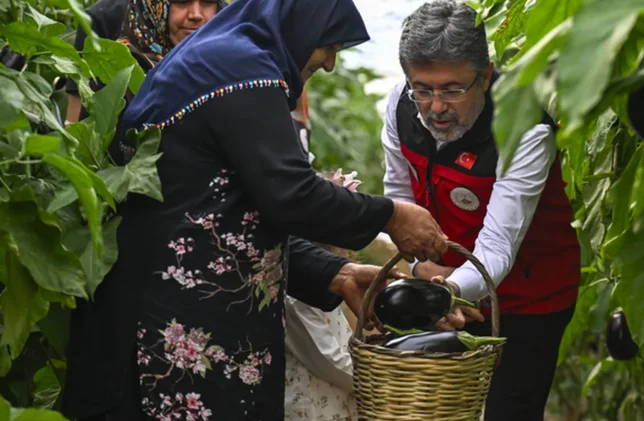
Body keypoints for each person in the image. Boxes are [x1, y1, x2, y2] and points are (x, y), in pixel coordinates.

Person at [60, 0, 448, 420]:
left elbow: (227, 214)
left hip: (187, 325)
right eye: (328, 46)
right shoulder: (239, 68)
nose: (332, 64)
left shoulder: (226, 60)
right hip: (168, 338)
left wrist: (338, 273)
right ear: (301, 24)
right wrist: (391, 215)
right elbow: (292, 194)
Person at [381, 1, 581, 420]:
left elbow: (497, 247)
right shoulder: (400, 106)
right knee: (436, 409)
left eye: (453, 90)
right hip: (445, 284)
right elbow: (399, 203)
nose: (436, 106)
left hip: (530, 296)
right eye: (423, 88)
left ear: (486, 76)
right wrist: (424, 271)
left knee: (510, 408)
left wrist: (440, 292)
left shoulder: (524, 128)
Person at [284, 89, 361, 421]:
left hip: (332, 403)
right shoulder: (299, 293)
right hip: (311, 409)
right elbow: (327, 360)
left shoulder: (328, 280)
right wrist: (383, 373)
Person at [65, 0, 224, 123]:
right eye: (182, 2)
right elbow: (76, 121)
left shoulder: (229, 30)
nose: (195, 14)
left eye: (207, 2)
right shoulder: (106, 18)